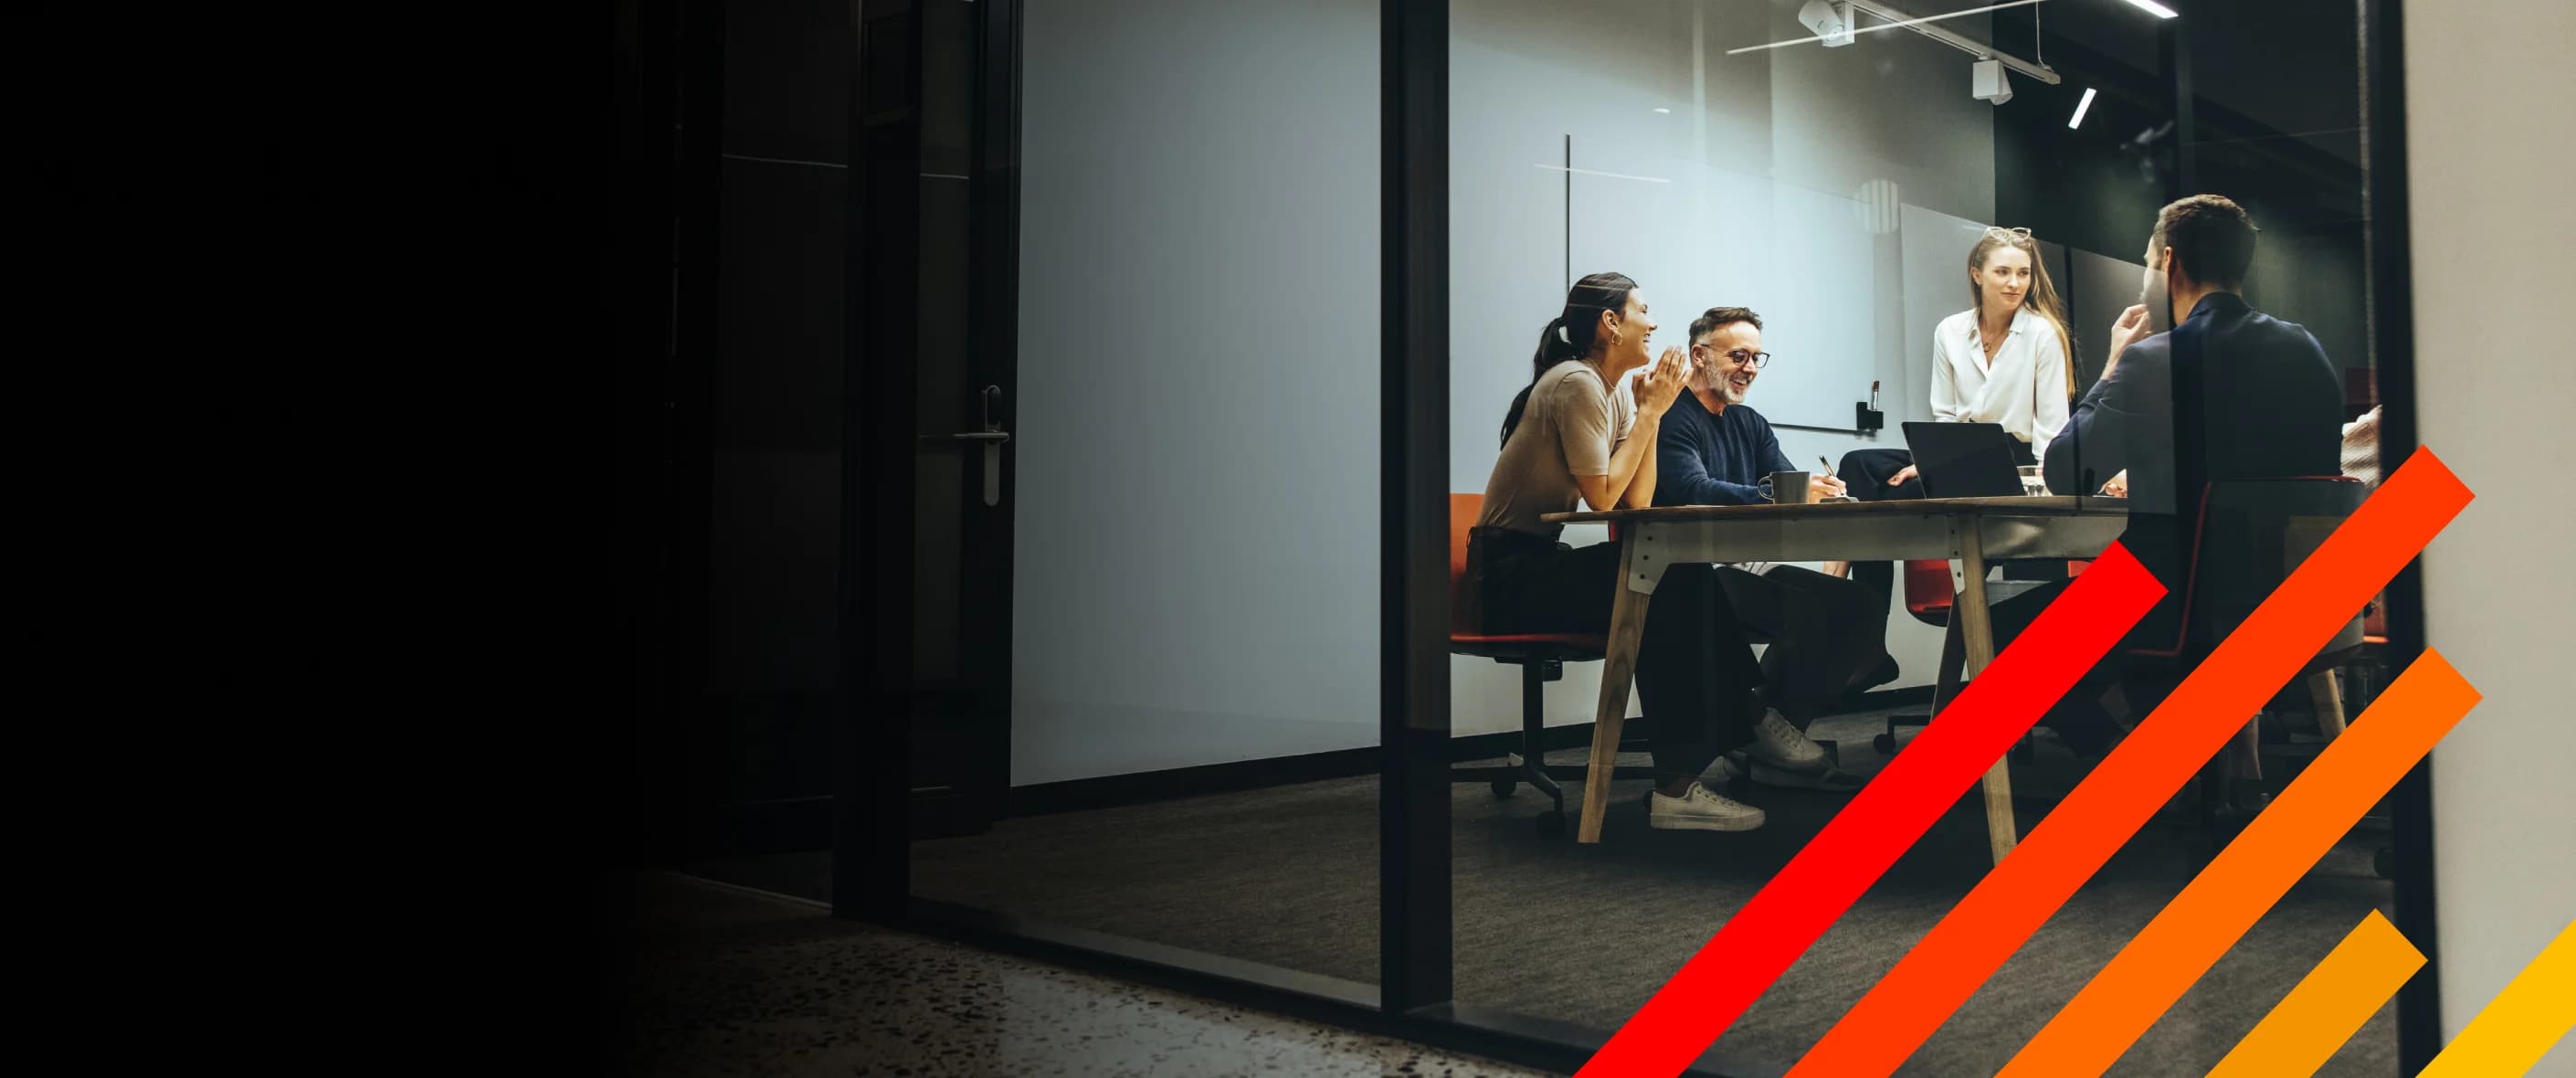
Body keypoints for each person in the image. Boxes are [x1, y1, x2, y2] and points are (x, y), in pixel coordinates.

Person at [1470, 273, 1837, 832]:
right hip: (1508, 578)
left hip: (1539, 564)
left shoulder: (1613, 391)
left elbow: (1634, 501)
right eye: (1643, 309)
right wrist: (1651, 415)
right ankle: (1711, 755)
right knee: (1664, 579)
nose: (1654, 321)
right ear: (1611, 323)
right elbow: (1602, 499)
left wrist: (1651, 413)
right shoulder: (1576, 384)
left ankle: (1717, 747)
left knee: (1671, 575)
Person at [1991, 195, 2346, 756]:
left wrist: (2111, 366)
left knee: (1999, 632)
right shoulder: (2306, 349)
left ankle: (2139, 761)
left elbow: (2065, 471)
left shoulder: (2157, 360)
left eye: (2148, 262)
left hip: (2182, 598)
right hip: (2298, 595)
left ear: (2170, 264)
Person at [1652, 306, 1898, 748]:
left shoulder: (1750, 423)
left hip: (1746, 566)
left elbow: (1789, 486)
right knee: (1817, 611)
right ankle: (1765, 729)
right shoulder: (1672, 417)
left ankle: (1778, 724)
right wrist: (1791, 493)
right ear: (1699, 355)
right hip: (1690, 575)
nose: (1749, 369)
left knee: (1860, 601)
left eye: (1756, 358)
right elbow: (1694, 489)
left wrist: (1824, 491)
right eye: (1738, 357)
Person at [1839, 227, 2080, 595]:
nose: (2015, 283)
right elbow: (1946, 415)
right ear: (1977, 273)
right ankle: (1866, 619)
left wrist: (2046, 487)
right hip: (1956, 453)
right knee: (1859, 465)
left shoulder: (2042, 334)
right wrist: (1928, 461)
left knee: (1879, 513)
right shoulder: (1950, 331)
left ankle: (1856, 573)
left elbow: (2052, 425)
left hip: (2013, 458)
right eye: (2003, 272)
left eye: (2023, 273)